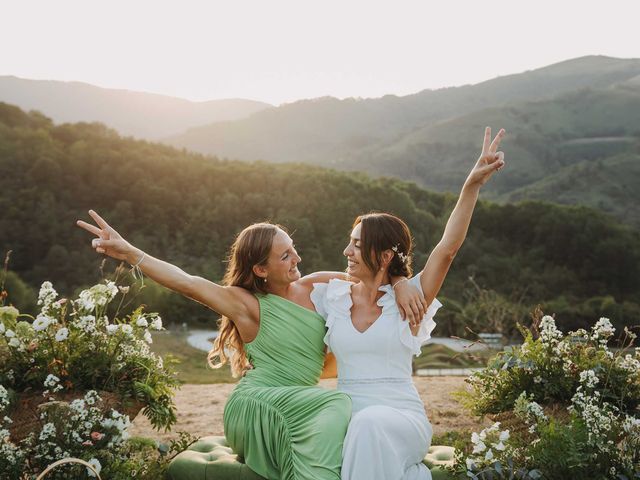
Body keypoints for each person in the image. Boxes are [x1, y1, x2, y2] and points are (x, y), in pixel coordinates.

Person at [76, 213, 426, 479]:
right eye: (285, 256)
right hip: (258, 404)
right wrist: (129, 252)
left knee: (342, 414)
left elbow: (370, 274)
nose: (297, 260)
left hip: (304, 407)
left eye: (294, 250)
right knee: (337, 402)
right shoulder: (246, 305)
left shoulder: (319, 286)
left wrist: (400, 280)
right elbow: (187, 282)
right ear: (260, 268)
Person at [310, 127, 506, 480]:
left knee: (369, 425)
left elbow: (447, 249)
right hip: (345, 418)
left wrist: (470, 187)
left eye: (356, 244)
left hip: (400, 417)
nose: (347, 252)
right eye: (349, 242)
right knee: (353, 429)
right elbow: (291, 287)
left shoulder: (411, 299)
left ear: (384, 255)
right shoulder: (333, 296)